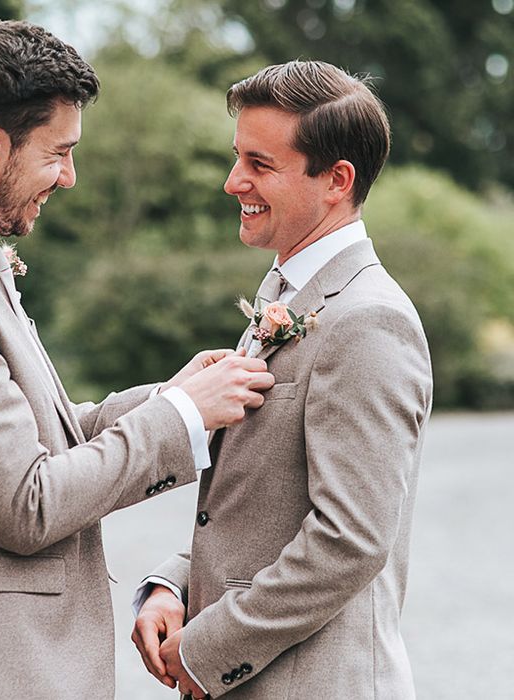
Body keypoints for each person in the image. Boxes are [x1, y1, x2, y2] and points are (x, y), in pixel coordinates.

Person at [0, 20, 275, 699]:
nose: (68, 178)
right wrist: (182, 416)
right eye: (59, 153)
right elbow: (27, 502)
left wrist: (172, 396)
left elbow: (43, 431)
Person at [132, 60, 433, 699]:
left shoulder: (369, 321)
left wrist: (208, 650)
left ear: (336, 180)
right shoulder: (289, 291)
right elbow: (261, 511)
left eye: (259, 164)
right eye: (237, 157)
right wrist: (174, 584)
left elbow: (349, 540)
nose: (231, 181)